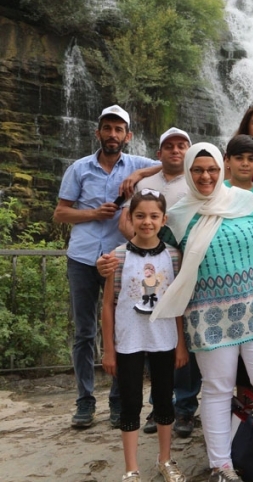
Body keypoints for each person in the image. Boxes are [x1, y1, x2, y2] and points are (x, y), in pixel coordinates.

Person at [150, 142, 253, 482]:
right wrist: (115, 261)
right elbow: (157, 254)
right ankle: (222, 466)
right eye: (197, 170)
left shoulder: (248, 202)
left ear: (221, 168)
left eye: (211, 168)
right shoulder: (178, 217)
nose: (205, 176)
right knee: (216, 388)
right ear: (188, 172)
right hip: (208, 316)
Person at [54, 104, 158, 429]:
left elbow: (174, 163)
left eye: (118, 130)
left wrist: (139, 175)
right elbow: (60, 213)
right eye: (107, 128)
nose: (112, 135)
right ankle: (84, 402)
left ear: (128, 135)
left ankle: (118, 402)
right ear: (97, 132)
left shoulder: (138, 164)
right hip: (83, 259)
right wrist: (92, 214)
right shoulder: (79, 168)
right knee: (84, 333)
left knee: (123, 331)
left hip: (118, 261)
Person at [101, 190, 187, 482]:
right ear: (130, 218)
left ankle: (165, 459)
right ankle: (131, 468)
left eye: (153, 216)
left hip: (163, 338)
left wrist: (181, 345)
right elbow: (108, 305)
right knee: (131, 402)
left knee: (164, 399)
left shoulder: (173, 256)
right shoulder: (118, 257)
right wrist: (109, 349)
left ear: (164, 219)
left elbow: (177, 305)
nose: (147, 222)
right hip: (129, 341)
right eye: (140, 215)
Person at [119, 127, 199, 439]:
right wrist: (142, 248)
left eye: (182, 146)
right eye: (169, 146)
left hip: (182, 265)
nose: (175, 151)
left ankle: (186, 407)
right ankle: (159, 405)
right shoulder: (144, 182)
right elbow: (126, 219)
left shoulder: (196, 180)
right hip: (147, 269)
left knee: (182, 339)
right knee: (153, 334)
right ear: (159, 152)